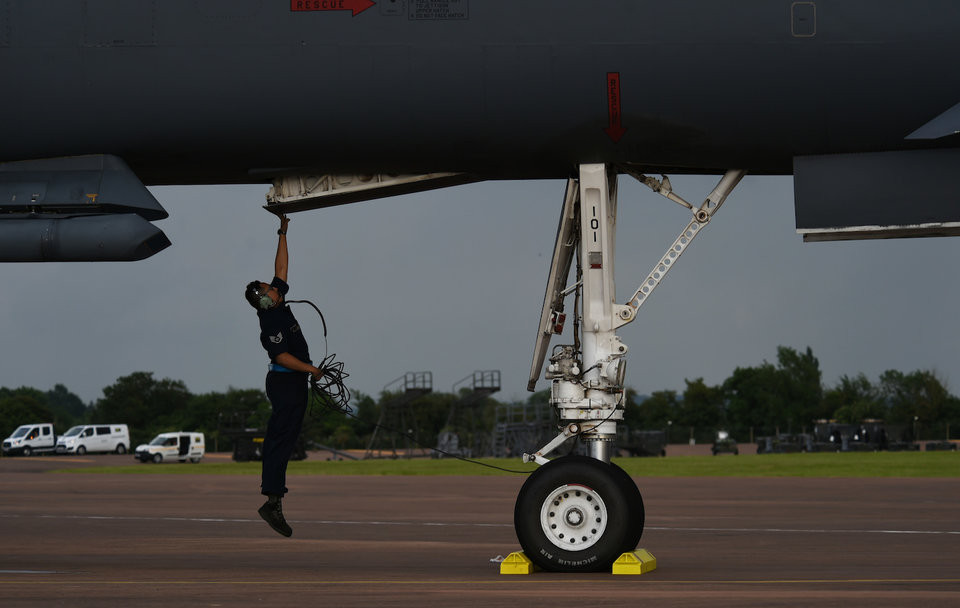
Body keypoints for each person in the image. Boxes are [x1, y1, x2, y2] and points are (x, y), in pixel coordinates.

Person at [244, 214, 322, 537]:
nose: (273, 286)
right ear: (264, 299)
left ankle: (274, 499)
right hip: (286, 383)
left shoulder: (275, 304)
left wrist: (283, 232)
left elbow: (281, 269)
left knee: (286, 440)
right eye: (267, 288)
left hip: (294, 385)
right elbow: (282, 356)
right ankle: (272, 501)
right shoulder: (270, 322)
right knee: (279, 441)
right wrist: (311, 370)